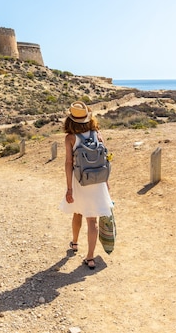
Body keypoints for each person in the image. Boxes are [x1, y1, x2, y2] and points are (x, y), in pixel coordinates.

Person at [59, 101, 113, 269]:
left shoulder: (70, 138)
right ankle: (90, 257)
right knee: (93, 220)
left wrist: (69, 188)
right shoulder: (97, 134)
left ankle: (74, 243)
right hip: (97, 181)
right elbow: (104, 159)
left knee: (77, 212)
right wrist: (106, 182)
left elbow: (68, 163)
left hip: (80, 180)